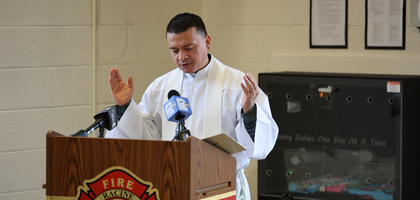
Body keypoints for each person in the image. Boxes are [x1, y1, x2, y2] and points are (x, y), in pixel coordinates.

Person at [105, 12, 278, 200]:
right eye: (174, 50)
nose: (182, 57)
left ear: (207, 42)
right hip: (171, 184)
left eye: (189, 48)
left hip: (222, 188)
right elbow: (146, 137)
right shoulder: (160, 87)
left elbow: (260, 146)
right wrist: (125, 107)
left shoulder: (238, 85)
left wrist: (249, 111)